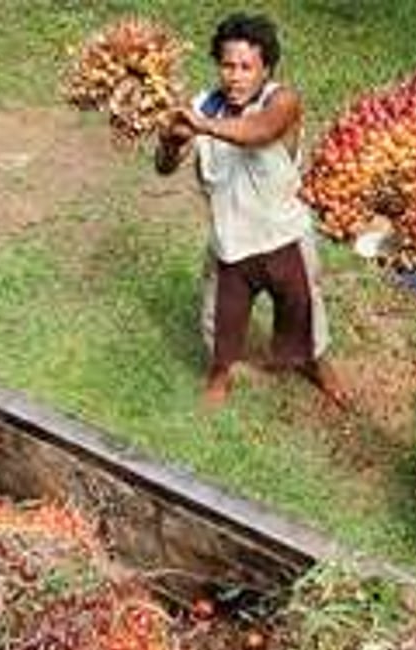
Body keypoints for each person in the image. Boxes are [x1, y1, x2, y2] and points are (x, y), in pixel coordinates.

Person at [154, 12, 345, 408]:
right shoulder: (203, 106)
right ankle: (220, 375)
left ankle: (316, 364)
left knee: (303, 311)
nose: (235, 76)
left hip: (284, 238)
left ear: (266, 69)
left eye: (246, 67)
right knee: (222, 320)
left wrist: (203, 127)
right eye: (227, 65)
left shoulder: (282, 101)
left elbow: (259, 132)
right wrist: (171, 142)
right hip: (230, 244)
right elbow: (164, 167)